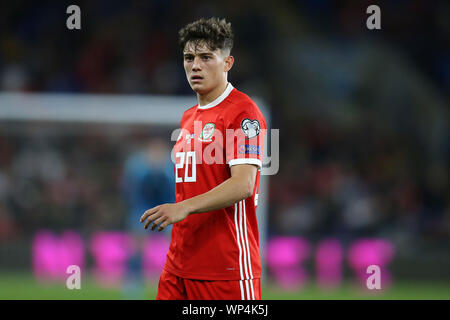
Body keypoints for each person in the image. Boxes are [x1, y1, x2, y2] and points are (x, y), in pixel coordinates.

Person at [140, 17, 267, 300]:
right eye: (189, 57)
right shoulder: (188, 117)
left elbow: (243, 185)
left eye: (206, 57)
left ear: (227, 63)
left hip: (226, 268)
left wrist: (182, 208)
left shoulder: (243, 112)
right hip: (179, 265)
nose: (195, 65)